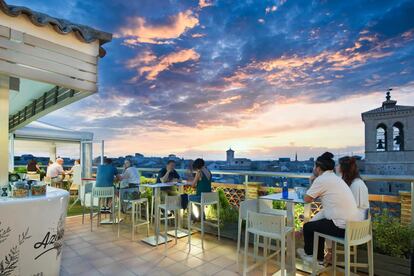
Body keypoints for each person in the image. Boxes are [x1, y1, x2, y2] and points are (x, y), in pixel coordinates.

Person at [297, 152, 361, 265]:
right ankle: (318, 258)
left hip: (343, 228)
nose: (313, 168)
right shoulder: (335, 178)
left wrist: (310, 183)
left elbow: (307, 199)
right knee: (318, 225)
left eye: (314, 166)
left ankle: (312, 257)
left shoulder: (322, 179)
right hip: (355, 226)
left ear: (318, 168)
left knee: (308, 227)